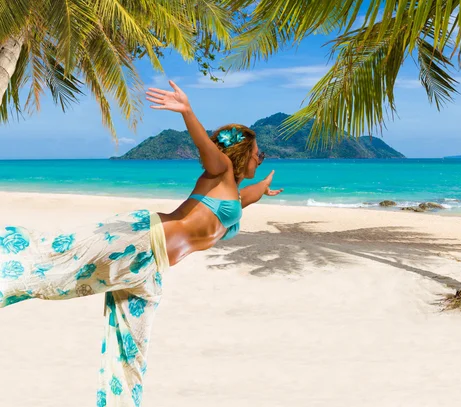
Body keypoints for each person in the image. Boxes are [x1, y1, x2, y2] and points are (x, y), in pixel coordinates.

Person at [0, 80, 283, 407]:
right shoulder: (218, 173)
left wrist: (263, 188)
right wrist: (187, 112)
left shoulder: (231, 193)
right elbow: (209, 152)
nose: (260, 158)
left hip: (153, 269)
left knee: (130, 351)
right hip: (137, 241)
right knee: (53, 275)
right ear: (243, 152)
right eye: (258, 153)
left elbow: (243, 198)